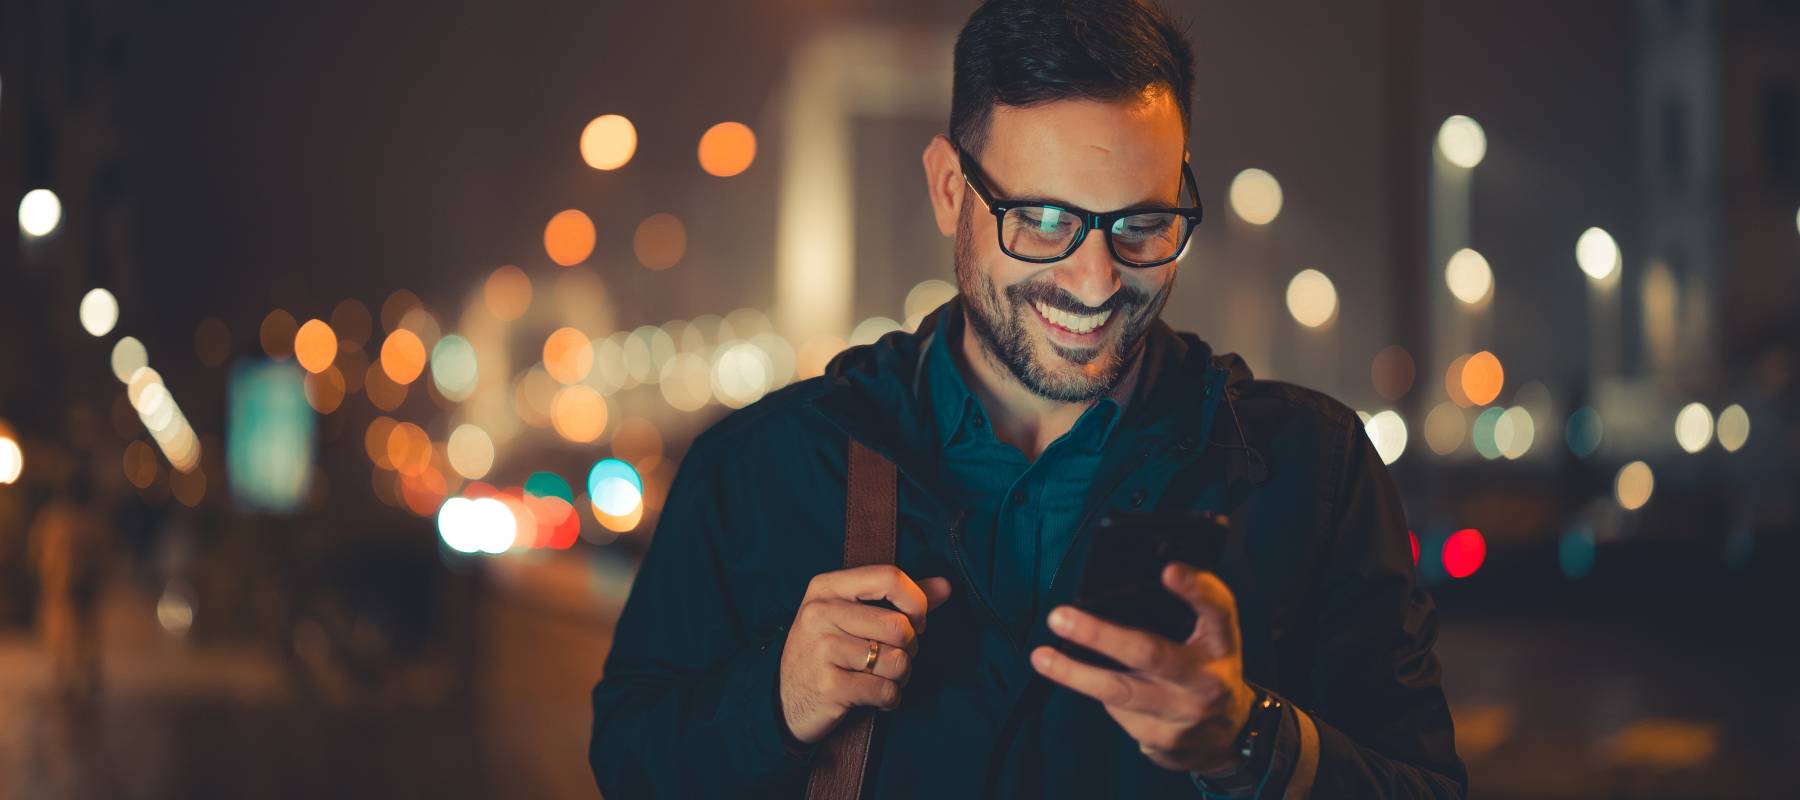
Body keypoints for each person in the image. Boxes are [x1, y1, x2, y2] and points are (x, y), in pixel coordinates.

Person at [590, 1, 1465, 796]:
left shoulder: (1312, 469)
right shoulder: (759, 471)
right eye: (1043, 220)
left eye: (1141, 223)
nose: (1094, 280)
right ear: (947, 190)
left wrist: (1251, 742)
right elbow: (628, 764)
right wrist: (775, 700)